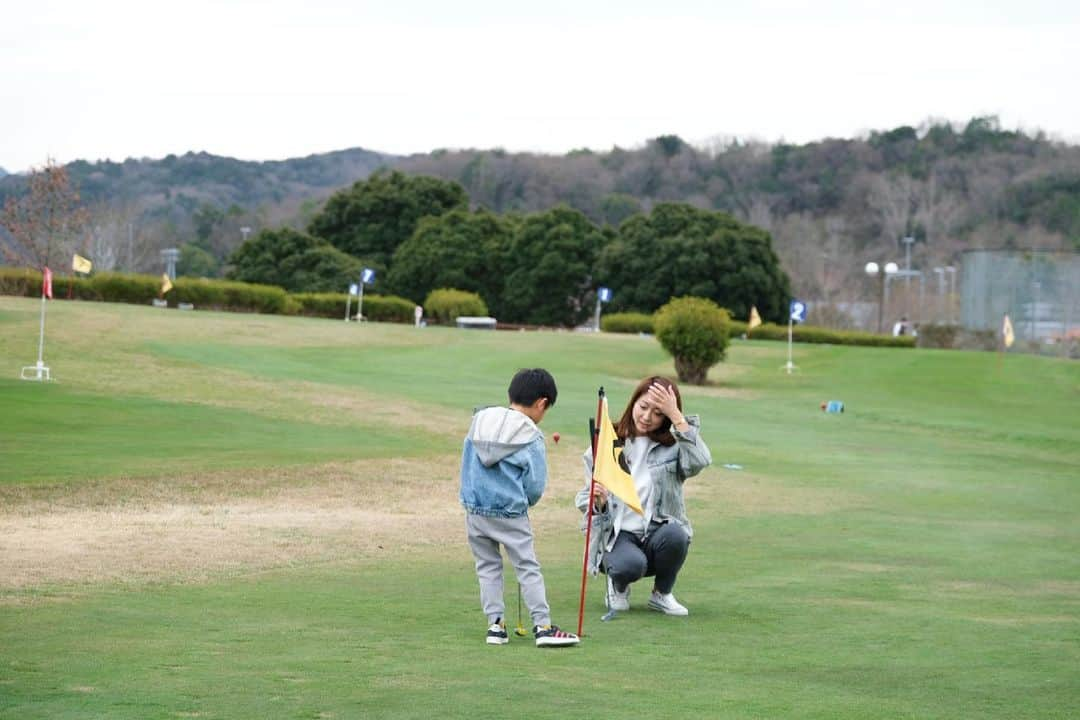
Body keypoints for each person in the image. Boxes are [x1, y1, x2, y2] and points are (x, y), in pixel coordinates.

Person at [460, 368, 580, 647]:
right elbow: (535, 484)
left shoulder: (479, 420)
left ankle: (495, 627)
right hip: (511, 512)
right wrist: (526, 503)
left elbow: (467, 463)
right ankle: (543, 626)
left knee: (487, 567)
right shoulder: (531, 435)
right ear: (542, 403)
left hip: (475, 510)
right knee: (526, 566)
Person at [575, 376, 712, 616]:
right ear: (633, 403)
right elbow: (584, 499)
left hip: (655, 532)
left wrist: (677, 417)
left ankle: (662, 594)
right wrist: (599, 503)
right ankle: (618, 586)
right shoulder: (608, 441)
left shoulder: (673, 447)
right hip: (617, 536)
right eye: (643, 407)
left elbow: (700, 461)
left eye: (659, 412)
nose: (647, 417)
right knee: (631, 564)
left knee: (676, 535)